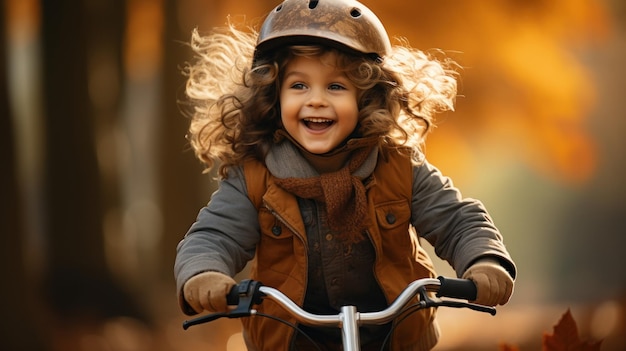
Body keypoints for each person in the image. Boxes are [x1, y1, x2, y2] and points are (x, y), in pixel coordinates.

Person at [174, 0, 516, 350]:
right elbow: (214, 235)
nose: (317, 100)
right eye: (299, 86)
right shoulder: (255, 178)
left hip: (392, 336)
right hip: (292, 339)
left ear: (366, 98)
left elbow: (457, 218)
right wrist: (203, 274)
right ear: (273, 97)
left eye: (335, 87)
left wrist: (483, 259)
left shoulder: (396, 167)